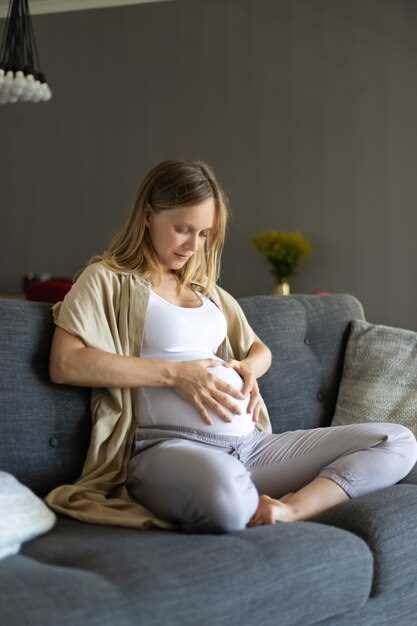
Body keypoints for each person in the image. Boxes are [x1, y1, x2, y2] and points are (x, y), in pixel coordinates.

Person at [49, 159, 417, 534]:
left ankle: (289, 509)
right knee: (224, 501)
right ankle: (236, 495)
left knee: (398, 441)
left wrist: (248, 369)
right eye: (182, 229)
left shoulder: (206, 291)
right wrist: (177, 375)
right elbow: (67, 363)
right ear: (147, 216)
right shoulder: (108, 279)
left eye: (205, 234)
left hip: (253, 448)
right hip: (169, 450)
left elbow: (260, 350)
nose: (193, 245)